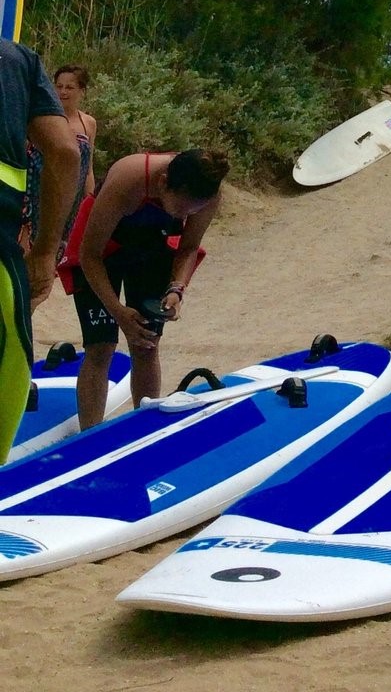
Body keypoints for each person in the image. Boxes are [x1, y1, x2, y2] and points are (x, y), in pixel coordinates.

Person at [59, 148, 228, 428]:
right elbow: (90, 254)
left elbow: (187, 247)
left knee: (147, 344)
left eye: (193, 211)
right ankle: (89, 434)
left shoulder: (207, 194)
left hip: (151, 247)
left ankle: (145, 429)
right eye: (182, 208)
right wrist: (118, 312)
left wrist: (177, 289)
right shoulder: (129, 178)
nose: (186, 215)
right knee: (100, 346)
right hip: (103, 251)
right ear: (163, 184)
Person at [0, 37, 80, 462]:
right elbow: (66, 153)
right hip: (2, 239)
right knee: (10, 358)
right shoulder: (16, 58)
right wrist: (47, 250)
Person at [20, 63, 97, 255]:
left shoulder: (88, 123)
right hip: (39, 196)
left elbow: (88, 169)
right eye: (59, 86)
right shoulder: (40, 120)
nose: (63, 92)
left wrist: (89, 205)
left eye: (69, 87)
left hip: (72, 200)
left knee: (60, 254)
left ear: (82, 90)